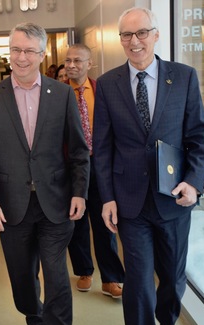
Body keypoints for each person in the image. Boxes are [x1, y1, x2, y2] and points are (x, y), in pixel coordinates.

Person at [93, 7, 204, 325]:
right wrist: (108, 198)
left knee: (173, 280)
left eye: (142, 33)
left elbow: (199, 137)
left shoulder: (184, 77)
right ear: (121, 41)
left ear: (156, 35)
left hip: (173, 199)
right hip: (130, 202)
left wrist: (194, 182)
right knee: (139, 283)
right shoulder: (108, 84)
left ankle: (168, 319)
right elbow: (102, 148)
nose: (135, 41)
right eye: (127, 35)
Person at [0, 22, 90, 325]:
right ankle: (34, 319)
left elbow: (79, 151)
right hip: (11, 206)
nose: (21, 58)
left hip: (56, 204)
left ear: (41, 54)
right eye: (16, 50)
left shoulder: (62, 93)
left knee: (56, 278)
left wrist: (80, 192)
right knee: (22, 278)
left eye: (28, 51)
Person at [64, 44, 125, 297]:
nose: (71, 65)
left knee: (104, 222)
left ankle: (110, 278)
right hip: (70, 167)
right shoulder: (56, 93)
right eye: (68, 61)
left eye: (78, 61)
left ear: (90, 64)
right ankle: (84, 271)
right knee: (76, 222)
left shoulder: (103, 90)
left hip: (100, 166)